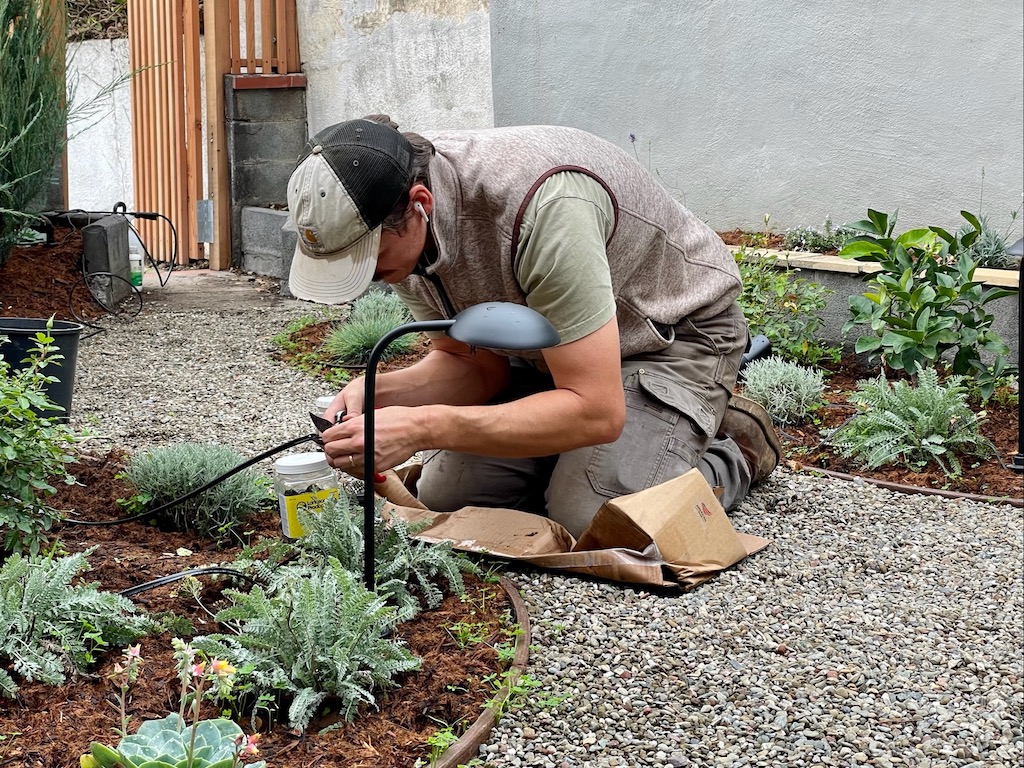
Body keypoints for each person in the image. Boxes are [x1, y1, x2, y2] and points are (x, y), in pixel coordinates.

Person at [286, 115, 781, 538]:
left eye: (369, 263)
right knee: (447, 500)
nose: (370, 279)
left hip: (666, 337)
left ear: (420, 205)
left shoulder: (544, 208)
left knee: (595, 517)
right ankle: (578, 455)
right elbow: (475, 367)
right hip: (550, 357)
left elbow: (596, 409)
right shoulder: (395, 221)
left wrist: (423, 425)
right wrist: (379, 393)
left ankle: (733, 449)